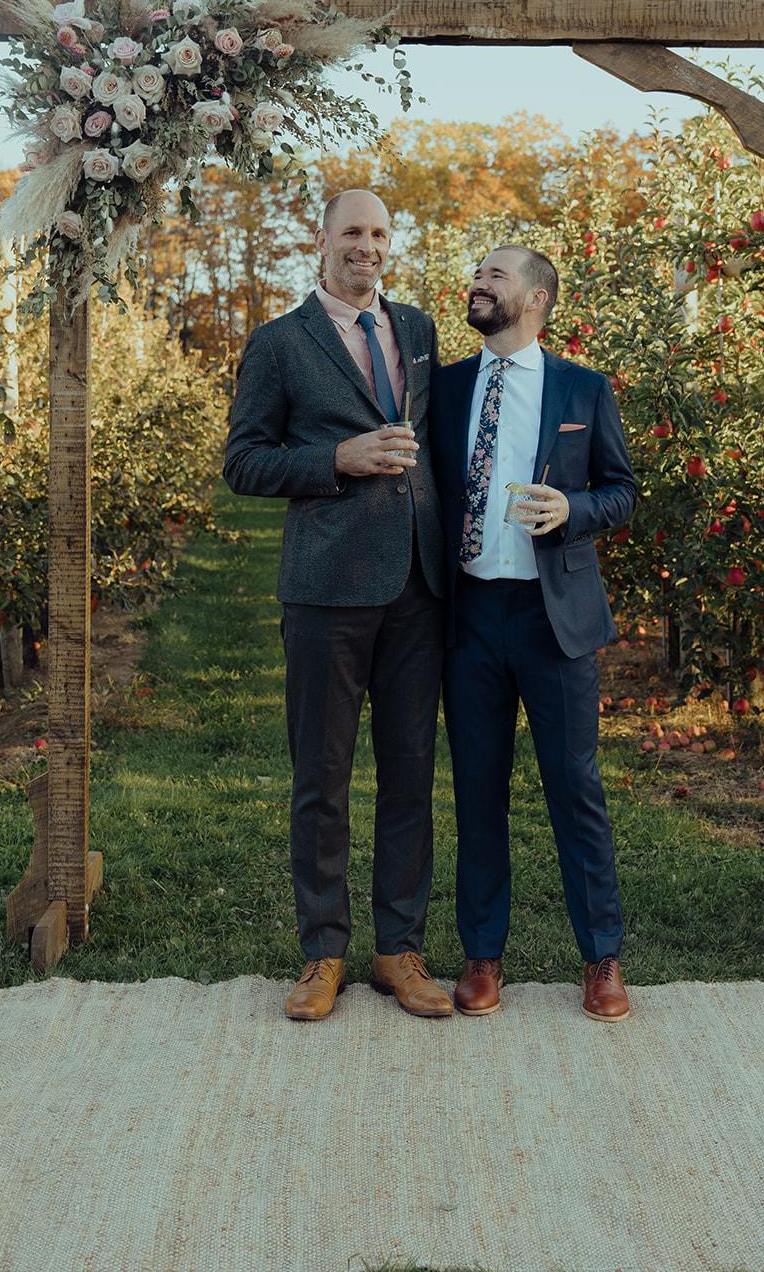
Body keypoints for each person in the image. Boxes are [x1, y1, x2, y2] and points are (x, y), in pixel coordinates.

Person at [223, 189, 451, 1022]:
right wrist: (338, 458)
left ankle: (398, 950)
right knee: (321, 776)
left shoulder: (418, 331)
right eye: (352, 231)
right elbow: (243, 462)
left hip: (418, 589)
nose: (368, 246)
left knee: (409, 774)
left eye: (381, 232)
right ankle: (323, 951)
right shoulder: (280, 344)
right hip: (325, 590)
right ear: (320, 240)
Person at [430, 244, 637, 1021]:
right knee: (477, 790)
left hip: (554, 620)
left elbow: (621, 490)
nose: (478, 282)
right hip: (470, 617)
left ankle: (602, 959)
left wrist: (571, 511)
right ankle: (482, 955)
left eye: (496, 274)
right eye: (476, 271)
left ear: (538, 299)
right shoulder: (445, 389)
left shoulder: (582, 387)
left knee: (574, 789)